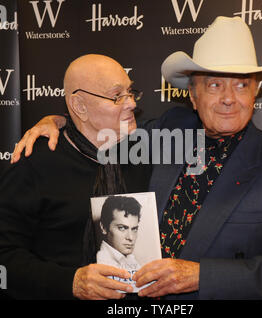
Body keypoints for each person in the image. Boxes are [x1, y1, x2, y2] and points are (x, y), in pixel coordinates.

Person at [10, 16, 262, 299]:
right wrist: (57, 121)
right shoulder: (169, 130)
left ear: (255, 93)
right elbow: (98, 125)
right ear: (193, 94)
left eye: (242, 85)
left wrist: (202, 276)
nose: (229, 97)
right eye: (214, 85)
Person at [0, 54, 151, 300]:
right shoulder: (36, 164)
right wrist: (71, 282)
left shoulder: (144, 155)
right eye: (117, 96)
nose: (131, 103)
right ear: (80, 106)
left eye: (131, 92)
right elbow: (4, 255)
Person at [95, 195, 142, 291]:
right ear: (103, 228)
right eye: (122, 228)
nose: (130, 237)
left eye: (134, 229)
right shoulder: (102, 261)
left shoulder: (131, 260)